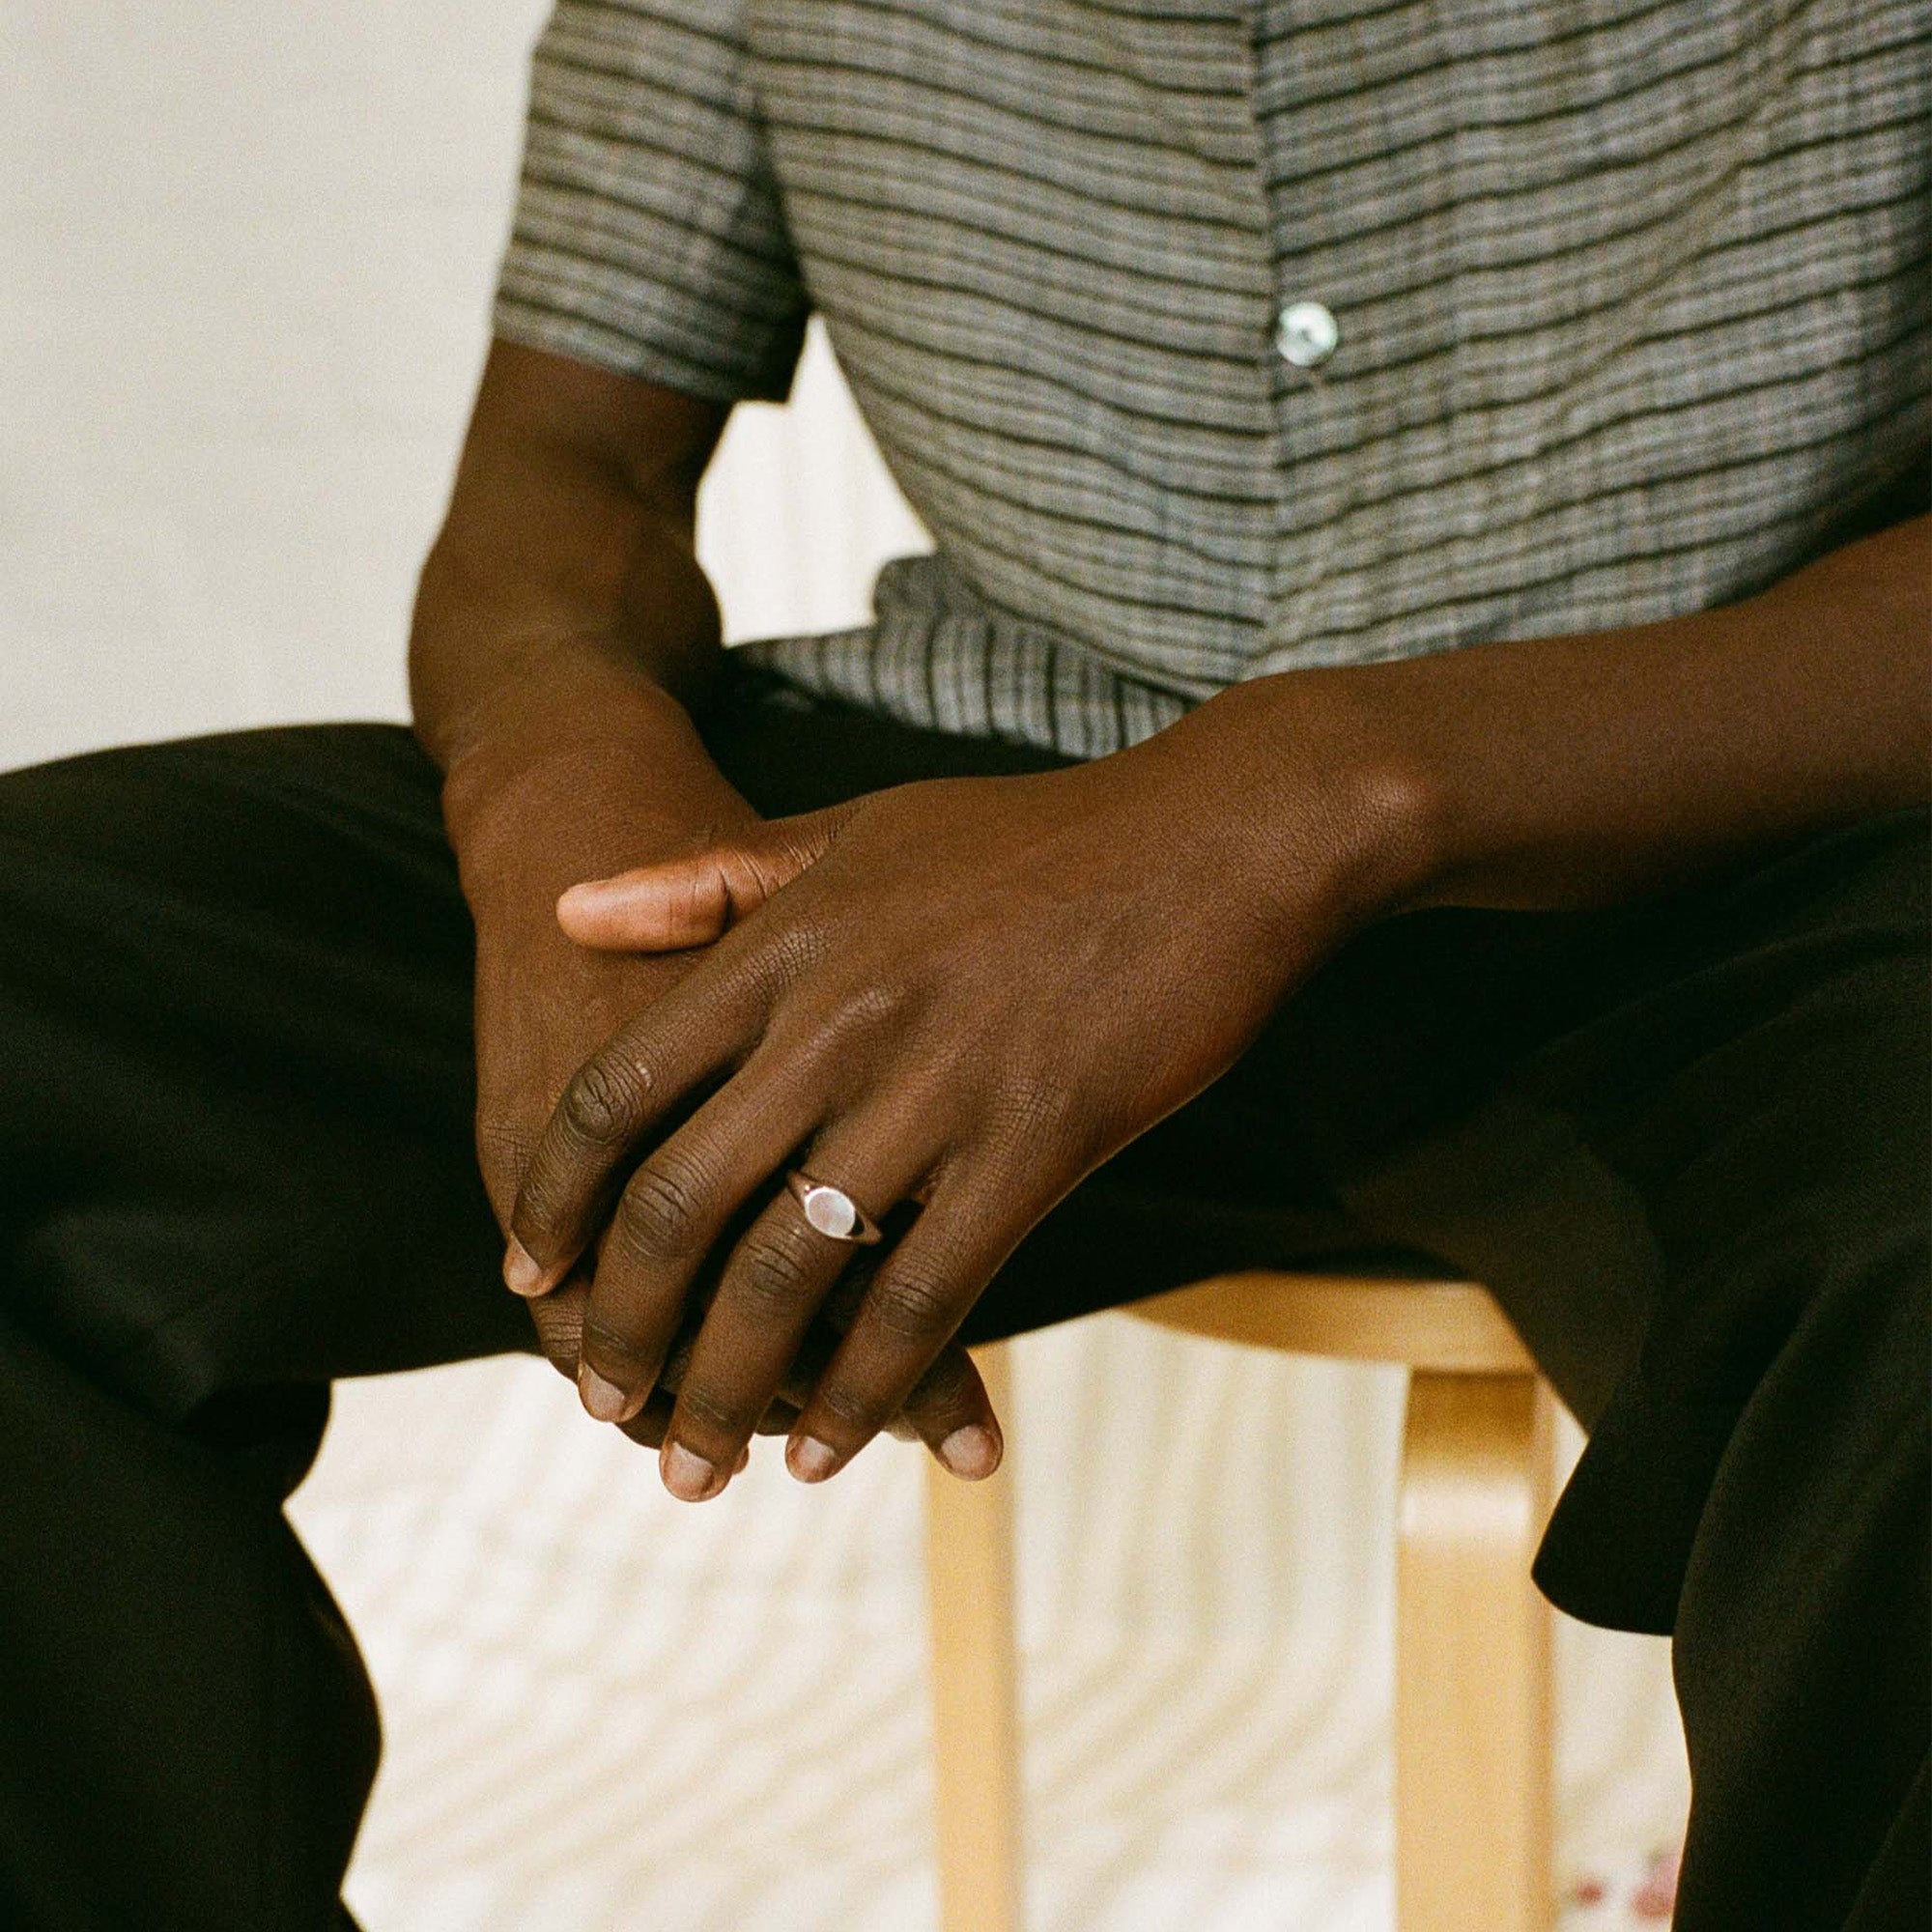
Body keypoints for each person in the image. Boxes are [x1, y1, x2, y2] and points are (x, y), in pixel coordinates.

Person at [2, 1, 1925, 1926]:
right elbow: (572, 469)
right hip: (964, 825)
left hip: (1713, 812)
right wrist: (571, 838)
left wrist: (1298, 795)